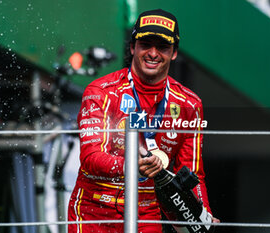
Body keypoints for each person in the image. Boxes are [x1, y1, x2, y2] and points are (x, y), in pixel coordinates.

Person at [67, 9, 219, 233]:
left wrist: (201, 213)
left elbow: (192, 173)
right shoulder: (101, 91)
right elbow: (90, 158)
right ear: (132, 47)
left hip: (146, 212)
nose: (153, 53)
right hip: (94, 209)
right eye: (146, 44)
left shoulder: (190, 104)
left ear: (174, 53)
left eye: (163, 47)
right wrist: (131, 166)